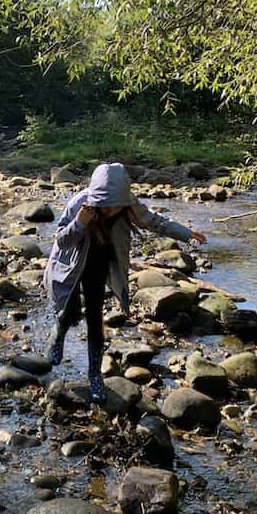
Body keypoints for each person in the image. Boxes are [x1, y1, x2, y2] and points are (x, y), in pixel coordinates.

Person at [44, 162, 207, 403]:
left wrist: (186, 233)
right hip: (70, 265)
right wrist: (79, 222)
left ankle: (94, 376)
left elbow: (156, 222)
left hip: (100, 267)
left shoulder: (129, 205)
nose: (111, 209)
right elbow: (61, 241)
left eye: (115, 203)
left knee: (95, 319)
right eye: (106, 203)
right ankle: (58, 333)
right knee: (68, 311)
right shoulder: (80, 203)